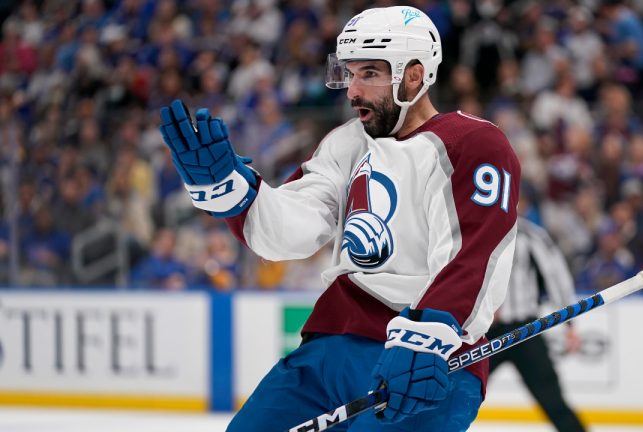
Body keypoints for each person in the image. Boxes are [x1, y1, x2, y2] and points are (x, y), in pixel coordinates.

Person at [158, 6, 520, 431]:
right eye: (348, 74)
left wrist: (428, 334)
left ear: (414, 76)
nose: (352, 90)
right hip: (329, 349)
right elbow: (292, 230)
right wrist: (233, 191)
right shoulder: (345, 143)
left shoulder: (472, 142)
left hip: (420, 362)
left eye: (369, 74)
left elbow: (475, 255)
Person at [489, 218, 588, 432]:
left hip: (524, 330)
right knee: (456, 392)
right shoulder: (477, 228)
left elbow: (556, 277)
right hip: (485, 331)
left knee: (552, 399)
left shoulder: (530, 235)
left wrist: (570, 324)